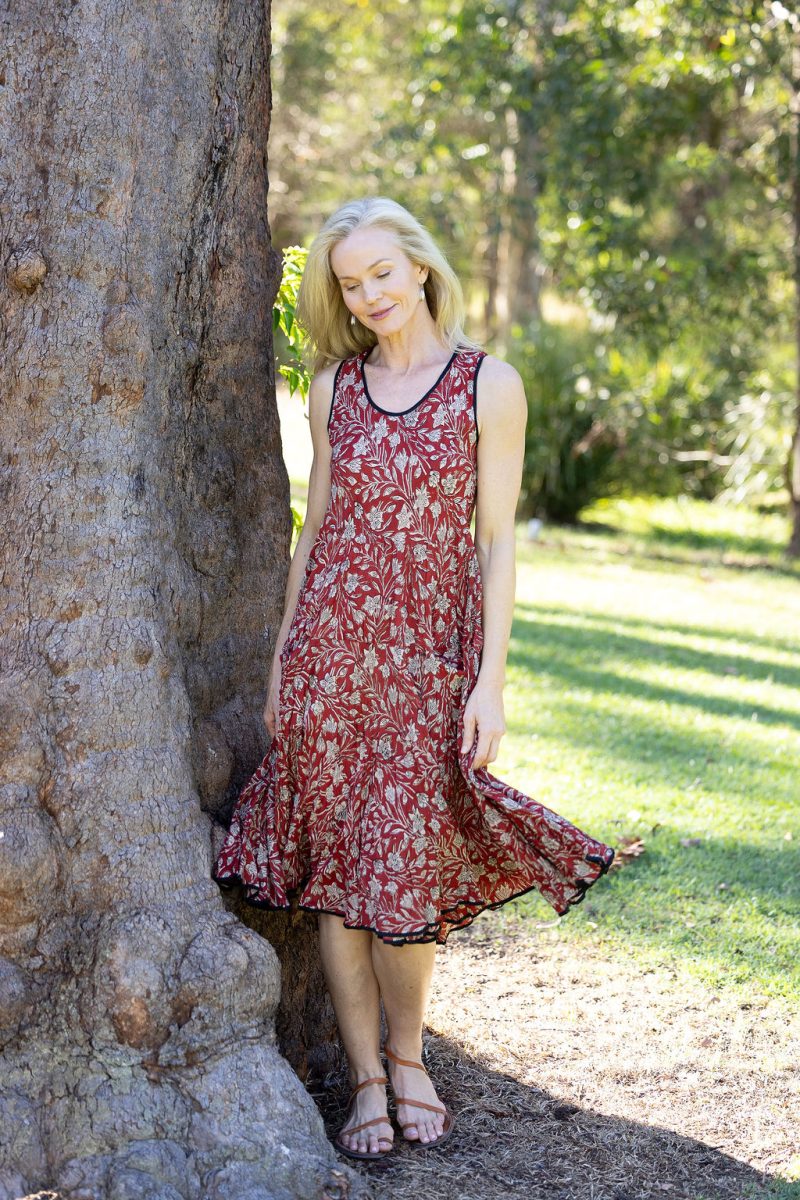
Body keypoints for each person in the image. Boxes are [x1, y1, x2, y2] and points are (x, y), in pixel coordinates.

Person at [212, 196, 616, 1162]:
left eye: (382, 274)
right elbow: (317, 538)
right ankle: (363, 1082)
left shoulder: (489, 385)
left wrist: (491, 681)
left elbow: (496, 548)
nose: (370, 295)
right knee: (337, 879)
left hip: (430, 662)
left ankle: (409, 1059)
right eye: (351, 284)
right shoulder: (333, 390)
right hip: (327, 663)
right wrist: (279, 665)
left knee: (400, 869)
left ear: (422, 269)